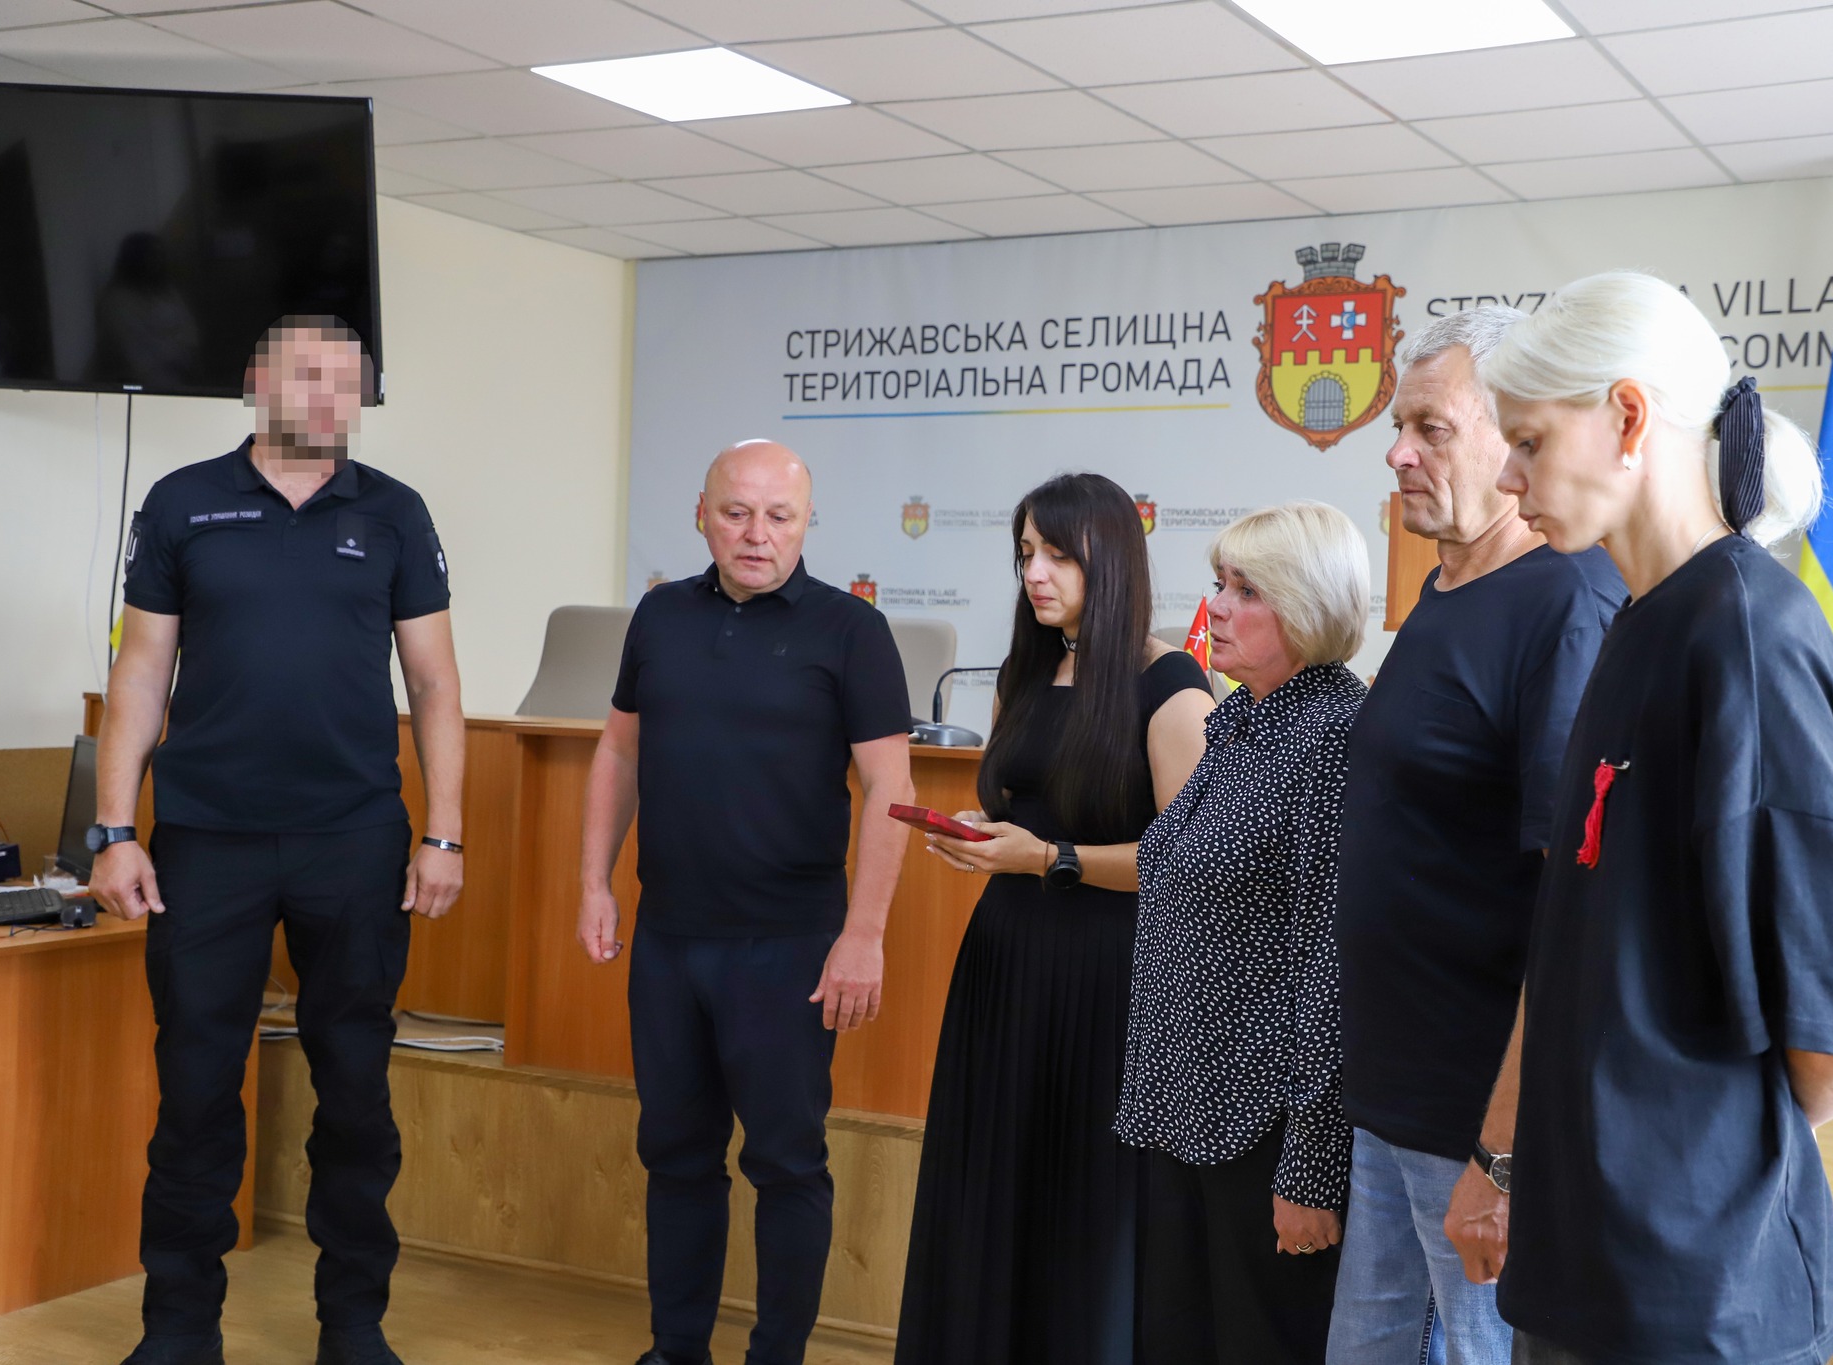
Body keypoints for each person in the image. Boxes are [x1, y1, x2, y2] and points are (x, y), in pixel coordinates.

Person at [1469, 271, 1833, 1365]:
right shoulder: (1641, 623)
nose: (1507, 474)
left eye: (1528, 441)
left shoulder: (1745, 642)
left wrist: (1755, 1194)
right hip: (1590, 1271)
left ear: (1627, 417)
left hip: (1688, 1304)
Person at [94, 316, 465, 1365]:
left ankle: (353, 1325)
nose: (329, 397)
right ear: (258, 381)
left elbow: (435, 684)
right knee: (196, 1091)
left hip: (354, 843)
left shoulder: (394, 512)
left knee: (355, 1095)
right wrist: (115, 828)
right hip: (206, 842)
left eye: (349, 382)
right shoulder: (181, 502)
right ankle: (178, 1329)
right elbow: (140, 673)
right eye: (308, 375)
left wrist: (444, 835)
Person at [577, 439, 915, 1365]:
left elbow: (891, 787)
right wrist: (593, 880)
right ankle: (675, 1348)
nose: (757, 533)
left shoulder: (852, 630)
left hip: (790, 946)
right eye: (736, 512)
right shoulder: (660, 615)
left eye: (779, 516)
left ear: (807, 524)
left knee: (785, 1162)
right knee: (675, 1154)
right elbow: (618, 750)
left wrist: (864, 934)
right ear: (701, 515)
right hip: (670, 938)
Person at [1329, 309, 1625, 1365]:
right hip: (1393, 1095)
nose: (1398, 454)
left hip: (1471, 1120)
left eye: (1431, 429)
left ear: (1512, 435)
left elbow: (1571, 905)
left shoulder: (1566, 604)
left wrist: (1499, 1156)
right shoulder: (1443, 588)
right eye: (1397, 428)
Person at [895, 473, 1214, 1365]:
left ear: (1110, 561)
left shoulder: (1172, 686)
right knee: (992, 1190)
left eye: (1059, 555)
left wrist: (1048, 857)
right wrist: (982, 834)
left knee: (1083, 1210)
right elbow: (1019, 805)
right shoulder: (1023, 675)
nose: (1035, 572)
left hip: (1108, 976)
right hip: (1005, 963)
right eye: (1026, 553)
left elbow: (1185, 865)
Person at [1115, 501, 1371, 1365]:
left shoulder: (1334, 734)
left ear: (1306, 604)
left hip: (1263, 1130)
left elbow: (1332, 967)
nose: (1216, 607)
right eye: (1219, 583)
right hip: (1184, 1107)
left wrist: (1311, 1166)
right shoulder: (1241, 720)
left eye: (1246, 590)